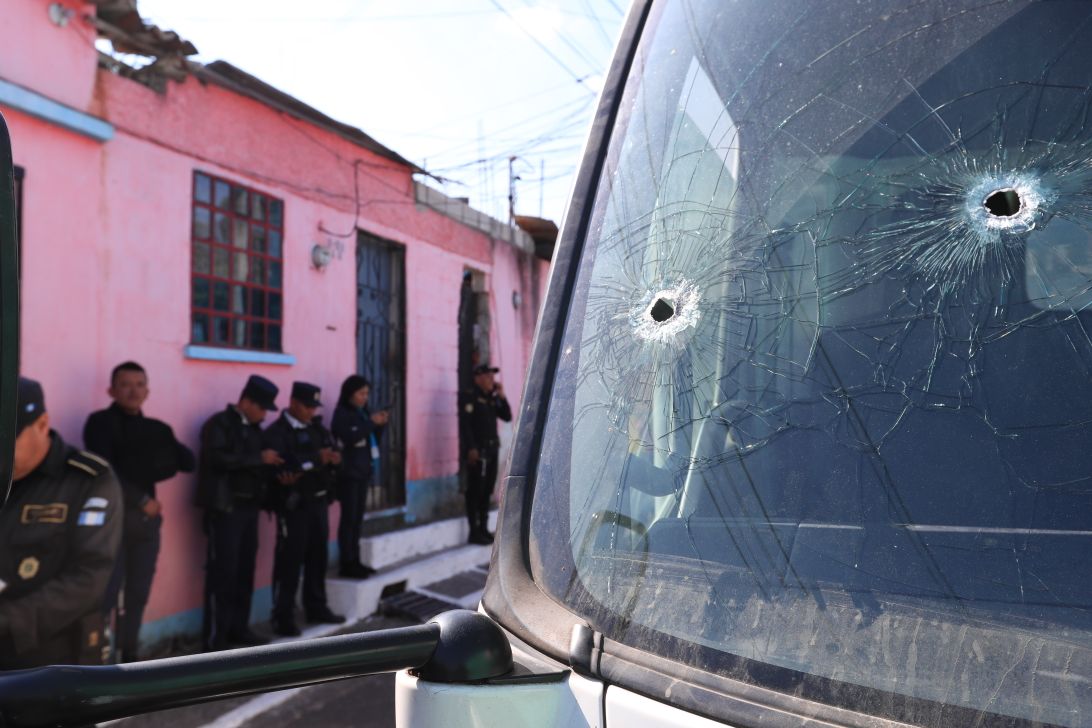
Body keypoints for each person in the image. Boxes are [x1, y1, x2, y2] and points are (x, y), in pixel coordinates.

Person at [0, 377, 122, 669]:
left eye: (8, 438)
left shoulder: (89, 480)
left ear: (42, 424)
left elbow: (89, 576)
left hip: (54, 660)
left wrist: (7, 620)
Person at [83, 361, 196, 662]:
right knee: (105, 595)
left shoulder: (155, 429)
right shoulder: (99, 423)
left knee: (138, 594)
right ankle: (97, 660)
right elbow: (104, 470)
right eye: (125, 384)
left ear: (148, 391)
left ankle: (129, 659)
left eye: (139, 385)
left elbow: (187, 461)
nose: (133, 391)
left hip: (145, 525)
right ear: (111, 390)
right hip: (111, 524)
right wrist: (140, 497)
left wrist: (161, 446)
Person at [195, 374, 283, 651]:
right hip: (226, 509)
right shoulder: (219, 424)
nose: (264, 415)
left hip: (249, 509)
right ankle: (216, 638)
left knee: (245, 570)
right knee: (223, 572)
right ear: (246, 402)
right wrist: (259, 459)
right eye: (262, 408)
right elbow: (217, 459)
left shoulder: (256, 430)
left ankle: (239, 628)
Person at [263, 381, 345, 636]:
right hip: (294, 506)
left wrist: (332, 459)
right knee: (289, 562)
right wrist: (314, 460)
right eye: (308, 406)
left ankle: (316, 606)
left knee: (317, 558)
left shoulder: (317, 429)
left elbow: (329, 454)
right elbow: (282, 466)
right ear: (294, 403)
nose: (311, 411)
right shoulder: (278, 432)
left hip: (318, 502)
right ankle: (283, 616)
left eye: (313, 407)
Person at [331, 375, 389, 579]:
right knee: (348, 520)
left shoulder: (363, 413)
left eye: (367, 393)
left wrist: (379, 424)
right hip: (349, 475)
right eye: (361, 393)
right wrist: (370, 423)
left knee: (356, 520)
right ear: (350, 394)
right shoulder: (342, 414)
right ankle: (346, 562)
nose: (365, 397)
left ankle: (355, 560)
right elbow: (349, 437)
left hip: (363, 473)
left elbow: (370, 439)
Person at [458, 364, 512, 545]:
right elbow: (465, 426)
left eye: (492, 376)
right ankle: (474, 531)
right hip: (478, 452)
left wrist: (501, 396)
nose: (491, 380)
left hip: (491, 450)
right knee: (475, 491)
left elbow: (506, 416)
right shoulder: (470, 396)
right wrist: (471, 449)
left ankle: (483, 528)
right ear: (478, 378)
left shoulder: (490, 398)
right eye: (488, 376)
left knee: (487, 490)